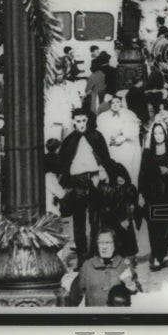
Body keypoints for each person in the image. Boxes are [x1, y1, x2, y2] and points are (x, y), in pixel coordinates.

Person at [58, 109, 113, 263]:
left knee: (96, 219)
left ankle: (96, 254)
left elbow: (106, 158)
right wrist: (66, 183)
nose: (81, 124)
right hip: (77, 182)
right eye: (78, 121)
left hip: (94, 179)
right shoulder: (69, 140)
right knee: (79, 221)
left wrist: (103, 173)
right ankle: (82, 257)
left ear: (87, 121)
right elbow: (63, 162)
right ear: (73, 122)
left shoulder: (96, 136)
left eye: (84, 120)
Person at [138, 122, 168, 272]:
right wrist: (141, 194)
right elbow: (142, 175)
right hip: (153, 196)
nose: (158, 136)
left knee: (167, 228)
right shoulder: (147, 153)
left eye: (161, 133)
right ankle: (155, 257)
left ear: (166, 134)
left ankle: (160, 254)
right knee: (153, 228)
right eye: (156, 133)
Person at [66, 229, 137, 307]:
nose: (104, 247)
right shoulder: (88, 266)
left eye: (108, 242)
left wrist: (131, 286)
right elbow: (74, 297)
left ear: (115, 244)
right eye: (101, 243)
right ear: (97, 245)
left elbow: (136, 288)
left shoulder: (124, 265)